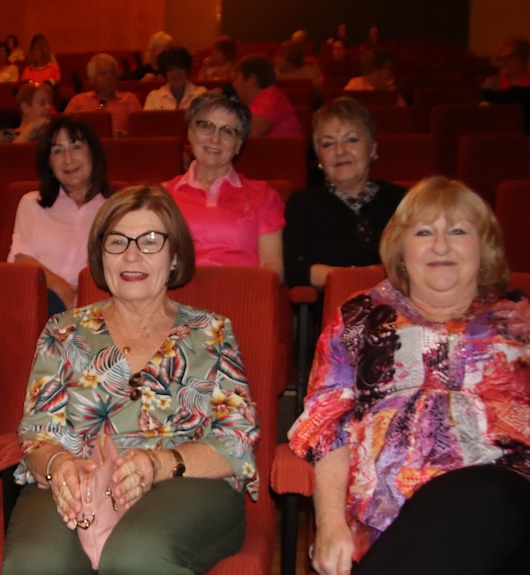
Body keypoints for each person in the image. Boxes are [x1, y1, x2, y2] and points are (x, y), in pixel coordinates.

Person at [0, 184, 259, 574]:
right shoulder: (64, 330)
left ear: (174, 257)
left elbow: (236, 441)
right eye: (117, 242)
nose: (131, 255)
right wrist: (58, 467)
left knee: (135, 555)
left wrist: (156, 464)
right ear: (101, 255)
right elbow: (38, 432)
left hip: (184, 482)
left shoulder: (211, 332)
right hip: (79, 477)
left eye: (150, 241)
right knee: (35, 563)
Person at [289, 176, 530, 575]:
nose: (440, 245)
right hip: (385, 521)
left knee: (476, 494)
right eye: (423, 232)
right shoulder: (360, 317)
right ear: (401, 249)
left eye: (457, 230)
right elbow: (327, 425)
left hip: (509, 504)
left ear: (483, 247)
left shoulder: (519, 320)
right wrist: (330, 525)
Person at [283, 97, 405, 289]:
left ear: (372, 149)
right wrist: (358, 279)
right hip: (330, 311)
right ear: (320, 158)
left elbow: (411, 266)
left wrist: (339, 276)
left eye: (351, 140)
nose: (340, 151)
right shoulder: (302, 203)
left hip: (396, 311)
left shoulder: (402, 201)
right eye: (328, 144)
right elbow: (295, 270)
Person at [163, 90, 285, 277]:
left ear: (238, 145)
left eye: (227, 131)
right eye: (206, 126)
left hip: (240, 298)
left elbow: (273, 266)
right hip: (177, 299)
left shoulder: (264, 195)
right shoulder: (162, 196)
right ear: (190, 133)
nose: (215, 139)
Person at [7, 115, 112, 314]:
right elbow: (22, 260)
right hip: (36, 300)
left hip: (92, 306)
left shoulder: (115, 209)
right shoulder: (31, 203)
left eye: (76, 147)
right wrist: (64, 291)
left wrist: (82, 296)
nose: (68, 159)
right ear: (49, 164)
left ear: (93, 153)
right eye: (57, 151)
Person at [64, 53, 141, 136]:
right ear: (92, 79)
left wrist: (119, 135)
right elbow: (63, 129)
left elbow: (140, 131)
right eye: (103, 73)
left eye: (112, 73)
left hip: (119, 146)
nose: (108, 77)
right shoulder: (78, 101)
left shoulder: (130, 99)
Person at [232, 54, 303, 137]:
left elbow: (247, 136)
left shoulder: (270, 98)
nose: (234, 84)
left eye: (237, 77)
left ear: (251, 80)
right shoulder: (266, 97)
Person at [143, 46, 206, 111]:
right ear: (165, 73)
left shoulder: (201, 94)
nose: (176, 73)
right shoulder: (154, 97)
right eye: (171, 69)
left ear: (186, 70)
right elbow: (146, 121)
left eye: (180, 68)